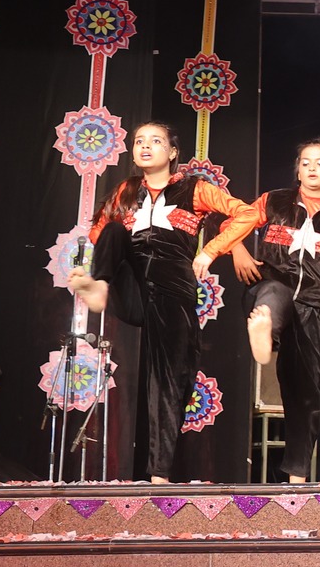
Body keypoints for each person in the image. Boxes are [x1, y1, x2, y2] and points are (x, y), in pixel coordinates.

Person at [69, 120, 253, 483]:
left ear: (172, 152)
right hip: (132, 284)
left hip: (172, 287)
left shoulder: (195, 189)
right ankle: (100, 285)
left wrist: (210, 251)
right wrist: (111, 258)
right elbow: (98, 230)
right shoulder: (126, 190)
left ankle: (159, 474)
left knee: (169, 380)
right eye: (139, 141)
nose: (145, 146)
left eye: (155, 141)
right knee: (113, 228)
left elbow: (246, 213)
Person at [228, 138, 320, 485]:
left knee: (306, 395)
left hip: (313, 308)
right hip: (271, 287)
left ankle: (297, 477)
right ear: (297, 170)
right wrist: (237, 249)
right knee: (274, 294)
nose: (312, 168)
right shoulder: (274, 201)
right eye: (305, 163)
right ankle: (265, 333)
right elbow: (235, 221)